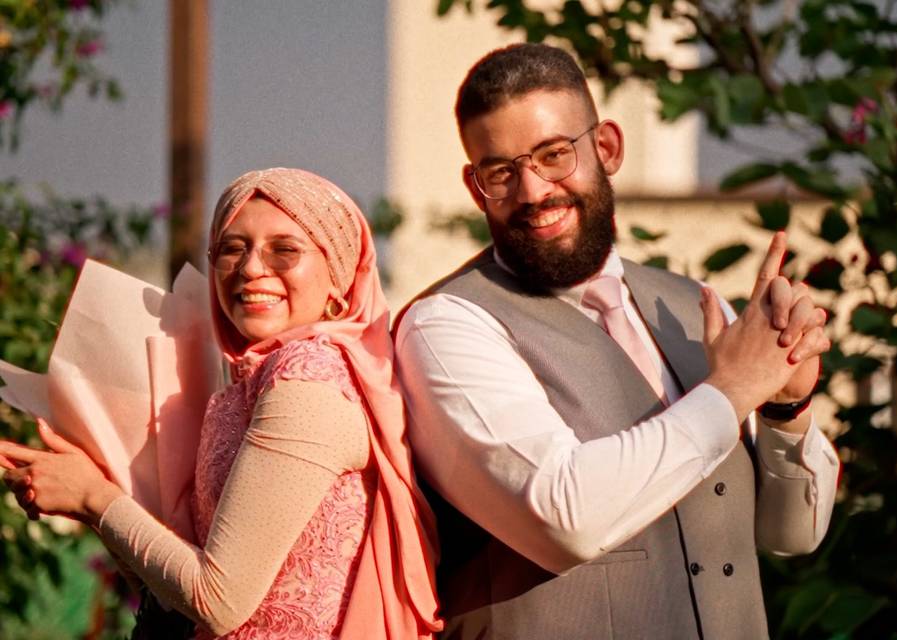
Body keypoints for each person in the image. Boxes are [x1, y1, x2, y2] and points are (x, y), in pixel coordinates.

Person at [393, 43, 840, 640]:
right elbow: (562, 515)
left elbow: (791, 536)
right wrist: (733, 389)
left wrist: (785, 406)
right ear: (477, 189)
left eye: (554, 155)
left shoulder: (693, 305)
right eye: (501, 172)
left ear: (606, 148)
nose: (532, 191)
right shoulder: (447, 325)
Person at [1, 168, 442, 639]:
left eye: (284, 250)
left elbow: (216, 600)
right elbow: (181, 586)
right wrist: (89, 502)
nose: (251, 268)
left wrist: (96, 497)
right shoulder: (250, 378)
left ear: (337, 274)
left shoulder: (306, 376)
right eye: (232, 248)